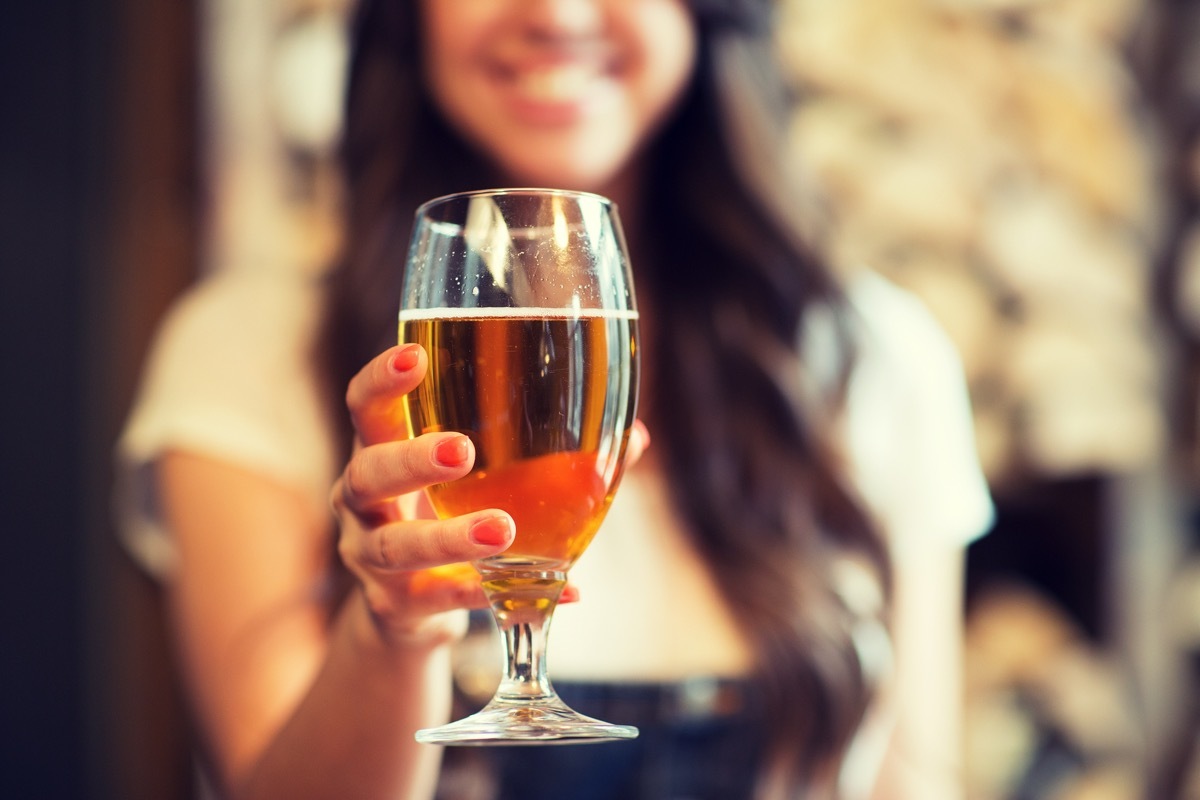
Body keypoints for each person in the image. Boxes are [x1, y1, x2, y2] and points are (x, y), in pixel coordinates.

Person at [117, 0, 994, 798]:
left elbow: (912, 781)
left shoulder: (876, 358)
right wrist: (395, 627)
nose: (556, 12)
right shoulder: (252, 353)